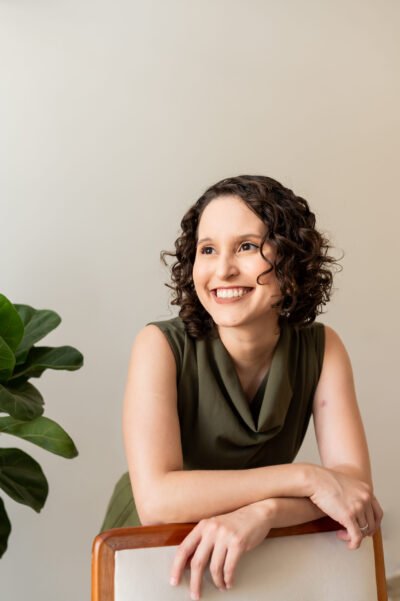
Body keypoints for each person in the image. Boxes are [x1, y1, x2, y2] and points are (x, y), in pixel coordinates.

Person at [101, 175, 383, 600]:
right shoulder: (158, 345)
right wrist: (306, 477)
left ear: (291, 258)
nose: (223, 270)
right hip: (155, 550)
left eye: (247, 246)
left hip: (258, 542)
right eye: (208, 249)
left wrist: (264, 513)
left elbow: (353, 492)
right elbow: (158, 501)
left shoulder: (323, 347)